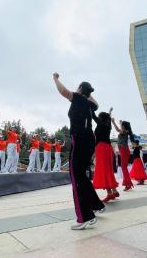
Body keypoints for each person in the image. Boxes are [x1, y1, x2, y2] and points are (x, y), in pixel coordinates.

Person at [53, 72, 104, 230]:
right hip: (89, 139)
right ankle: (95, 205)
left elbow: (63, 92)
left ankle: (85, 217)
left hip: (80, 138)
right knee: (82, 175)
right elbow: (97, 104)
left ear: (80, 89)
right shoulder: (90, 104)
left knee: (76, 175)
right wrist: (88, 93)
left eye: (78, 87)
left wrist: (55, 78)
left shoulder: (78, 97)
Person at [92, 108, 119, 202]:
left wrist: (88, 105)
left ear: (101, 118)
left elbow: (93, 116)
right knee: (108, 169)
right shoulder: (108, 126)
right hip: (108, 147)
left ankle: (109, 193)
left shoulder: (100, 124)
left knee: (103, 170)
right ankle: (114, 190)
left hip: (101, 147)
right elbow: (107, 117)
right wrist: (110, 112)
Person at [111, 118, 135, 191]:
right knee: (124, 168)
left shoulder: (124, 131)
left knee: (124, 168)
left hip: (124, 150)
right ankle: (128, 184)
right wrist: (119, 123)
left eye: (122, 125)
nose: (121, 126)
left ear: (124, 126)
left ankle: (128, 184)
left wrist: (113, 122)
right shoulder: (125, 131)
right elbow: (120, 129)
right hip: (123, 150)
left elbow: (118, 130)